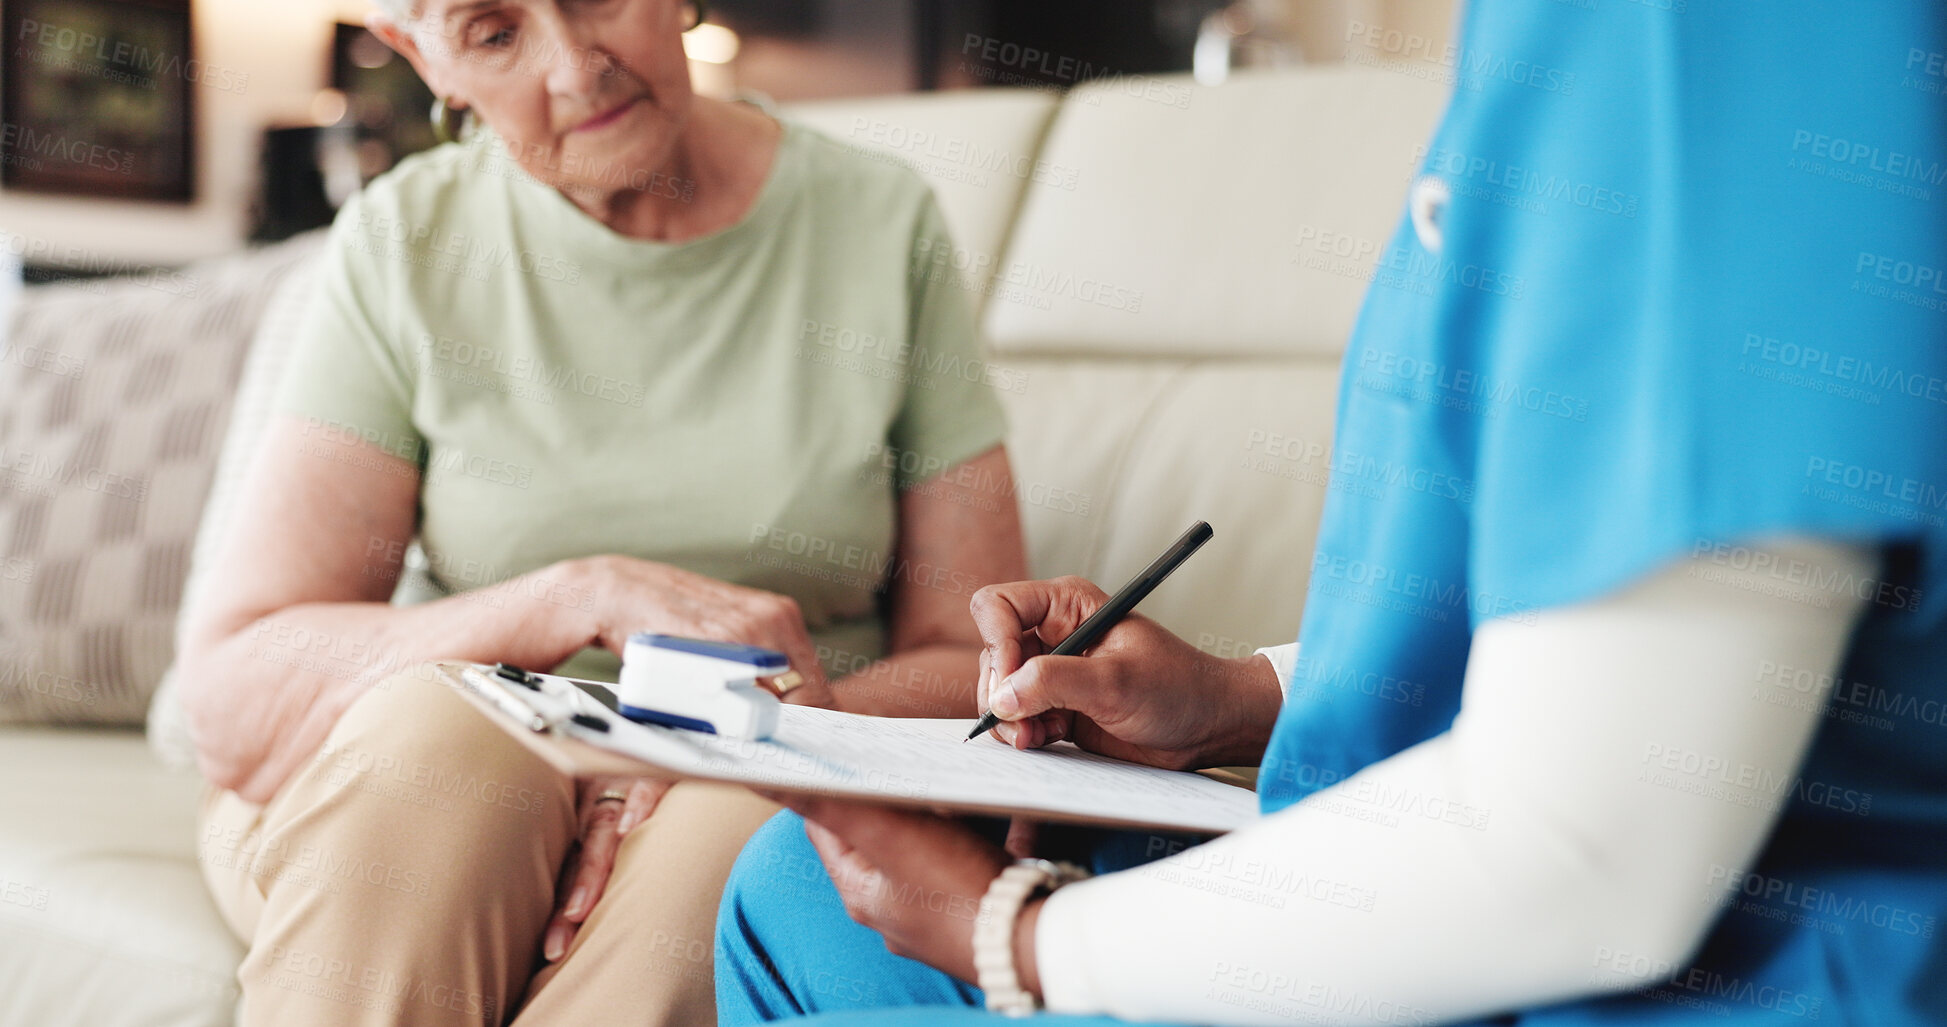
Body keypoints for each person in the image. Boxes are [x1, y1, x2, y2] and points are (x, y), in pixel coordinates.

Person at [714, 1, 1947, 1024]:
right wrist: (1247, 693)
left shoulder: (1690, 41)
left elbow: (1587, 859)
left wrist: (1023, 939)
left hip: (1710, 971)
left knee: (802, 921)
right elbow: (1638, 633)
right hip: (1510, 858)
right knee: (796, 886)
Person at [174, 0, 1026, 1023]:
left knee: (732, 851)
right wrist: (576, 597)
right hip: (447, 736)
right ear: (420, 57)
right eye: (494, 32)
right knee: (436, 759)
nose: (577, 69)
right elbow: (232, 699)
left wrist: (731, 734)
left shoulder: (880, 222)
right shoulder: (405, 239)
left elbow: (973, 656)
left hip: (774, 745)